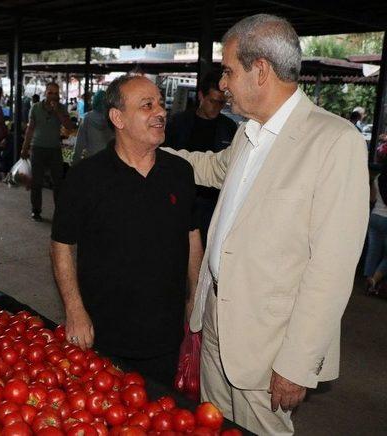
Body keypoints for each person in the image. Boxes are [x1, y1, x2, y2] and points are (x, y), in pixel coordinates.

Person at [162, 14, 368, 435]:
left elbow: (331, 270)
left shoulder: (333, 141)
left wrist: (296, 365)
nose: (223, 84)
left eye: (228, 71)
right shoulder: (248, 133)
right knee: (213, 424)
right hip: (217, 316)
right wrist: (152, 151)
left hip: (268, 338)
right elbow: (211, 168)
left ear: (260, 71)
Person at [51, 74, 202, 390]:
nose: (160, 112)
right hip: (104, 335)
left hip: (166, 335)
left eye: (160, 103)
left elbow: (192, 236)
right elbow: (62, 244)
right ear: (117, 118)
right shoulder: (84, 179)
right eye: (147, 105)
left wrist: (195, 300)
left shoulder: (180, 173)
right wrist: (74, 308)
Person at [165, 71, 238, 245]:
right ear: (201, 96)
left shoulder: (229, 127)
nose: (217, 107)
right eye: (213, 101)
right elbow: (166, 159)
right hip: (182, 199)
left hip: (213, 204)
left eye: (221, 103)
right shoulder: (178, 123)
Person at [21, 83, 75, 221]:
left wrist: (58, 112)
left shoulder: (62, 108)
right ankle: (36, 210)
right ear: (45, 93)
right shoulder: (36, 107)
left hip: (55, 149)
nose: (53, 96)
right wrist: (25, 147)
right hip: (38, 148)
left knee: (58, 182)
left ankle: (59, 211)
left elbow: (69, 127)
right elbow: (30, 129)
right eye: (51, 93)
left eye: (56, 93)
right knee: (36, 182)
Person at [72, 90, 114, 165]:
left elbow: (80, 143)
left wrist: (75, 161)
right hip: (108, 160)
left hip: (91, 159)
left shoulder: (87, 118)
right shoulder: (112, 119)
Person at [365, 162, 387, 295]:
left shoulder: (378, 177)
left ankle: (368, 281)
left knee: (373, 251)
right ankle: (374, 280)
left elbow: (372, 198)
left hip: (374, 218)